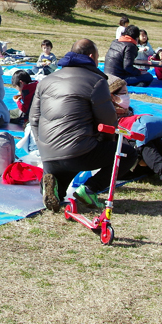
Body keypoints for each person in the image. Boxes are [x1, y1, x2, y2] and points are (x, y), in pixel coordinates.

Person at [29, 38, 129, 212]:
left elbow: (34, 118)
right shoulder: (96, 81)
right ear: (91, 56)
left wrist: (42, 144)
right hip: (79, 151)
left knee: (59, 190)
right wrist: (105, 141)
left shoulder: (46, 81)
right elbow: (108, 122)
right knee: (127, 154)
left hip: (48, 153)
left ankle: (50, 185)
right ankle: (90, 189)